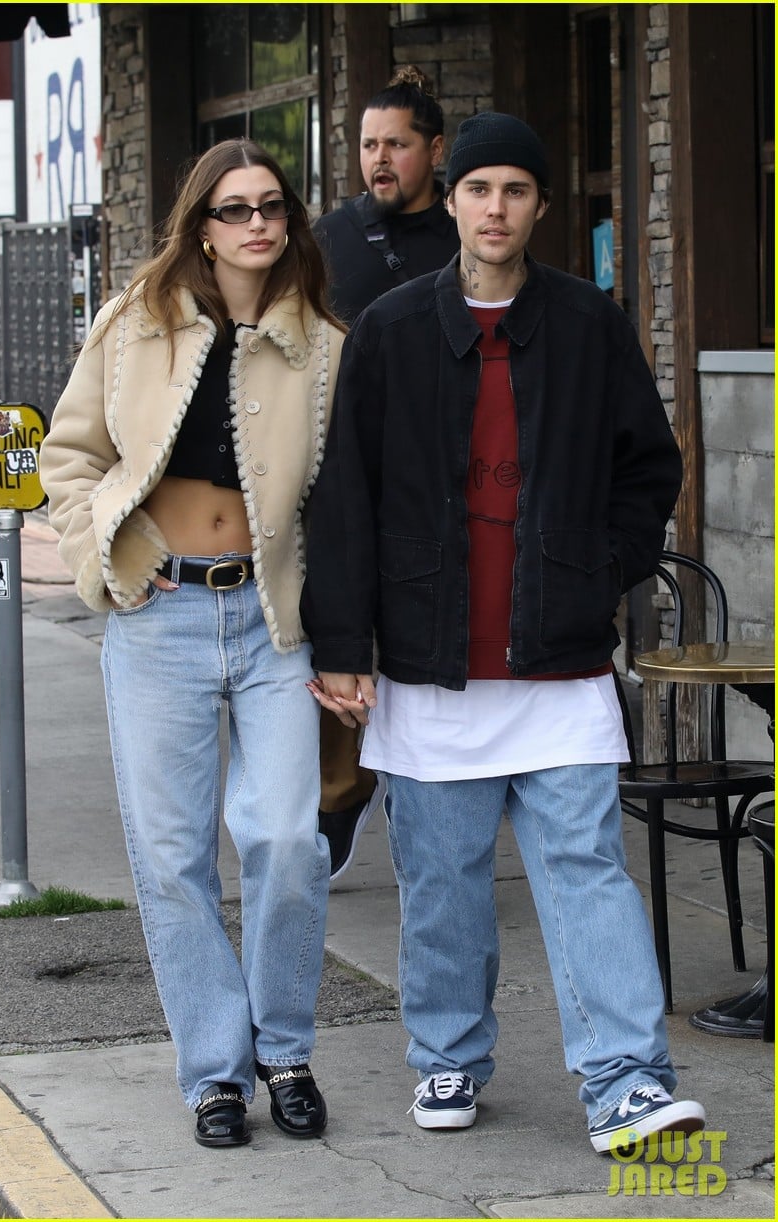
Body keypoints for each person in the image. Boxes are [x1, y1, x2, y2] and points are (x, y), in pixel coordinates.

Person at [301, 112, 706, 1153]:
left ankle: (625, 1079)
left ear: (538, 206)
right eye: (479, 189)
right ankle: (446, 1057)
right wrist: (341, 641)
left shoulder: (587, 323)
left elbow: (647, 469)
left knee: (584, 869)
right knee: (442, 885)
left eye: (516, 191)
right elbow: (343, 495)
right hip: (434, 664)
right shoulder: (389, 329)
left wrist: (592, 568)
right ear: (454, 199)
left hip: (556, 658)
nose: (495, 208)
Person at [40, 139, 346, 1149]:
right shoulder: (136, 324)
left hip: (271, 621)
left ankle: (285, 1049)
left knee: (288, 841)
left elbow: (342, 500)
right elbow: (72, 452)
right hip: (156, 610)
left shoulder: (323, 345)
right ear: (200, 225)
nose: (256, 222)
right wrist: (98, 559)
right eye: (234, 208)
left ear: (290, 222)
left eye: (271, 206)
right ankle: (215, 1072)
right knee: (172, 857)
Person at [312, 65, 460, 881]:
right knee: (338, 627)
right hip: (342, 467)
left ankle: (418, 806)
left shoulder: (465, 234)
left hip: (441, 475)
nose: (379, 159)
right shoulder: (331, 236)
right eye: (368, 144)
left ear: (432, 151)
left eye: (395, 145)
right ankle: (341, 790)